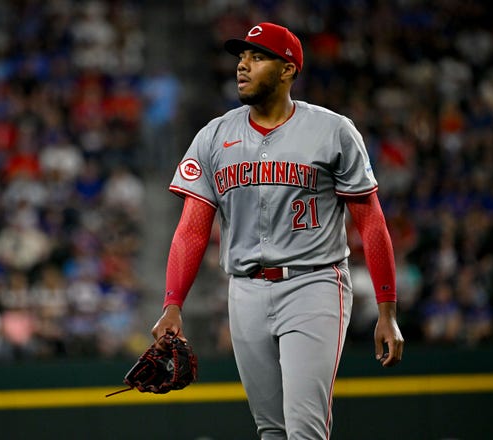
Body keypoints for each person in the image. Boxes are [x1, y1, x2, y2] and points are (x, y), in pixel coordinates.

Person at [151, 22, 404, 439]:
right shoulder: (215, 135)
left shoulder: (333, 130)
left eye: (257, 56)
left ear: (287, 69)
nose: (243, 66)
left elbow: (371, 221)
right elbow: (192, 231)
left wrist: (387, 310)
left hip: (315, 283)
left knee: (304, 429)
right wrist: (173, 302)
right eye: (241, 57)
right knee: (271, 429)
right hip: (245, 290)